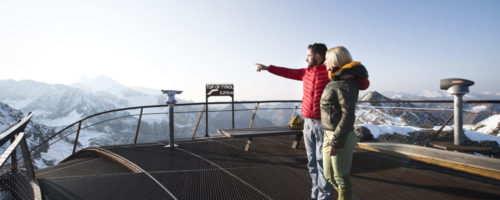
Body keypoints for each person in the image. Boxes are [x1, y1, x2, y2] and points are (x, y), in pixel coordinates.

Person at [256, 43, 333, 200]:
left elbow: (357, 81)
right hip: (308, 123)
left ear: (318, 56)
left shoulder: (330, 73)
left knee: (322, 163)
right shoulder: (306, 73)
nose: (306, 59)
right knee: (312, 162)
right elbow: (288, 72)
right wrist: (267, 68)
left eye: (308, 56)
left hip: (323, 124)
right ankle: (316, 193)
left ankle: (325, 196)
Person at [320, 46, 369, 200]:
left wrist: (336, 141)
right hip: (329, 133)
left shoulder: (347, 83)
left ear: (335, 60)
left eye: (327, 59)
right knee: (329, 176)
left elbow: (348, 115)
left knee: (341, 179)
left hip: (340, 135)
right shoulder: (336, 79)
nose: (325, 63)